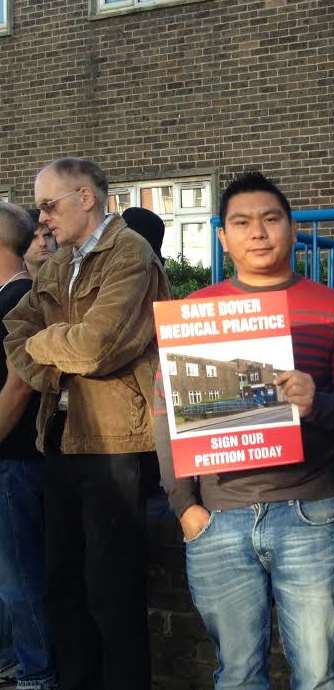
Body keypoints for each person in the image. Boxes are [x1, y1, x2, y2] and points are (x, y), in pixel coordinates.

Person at [155, 171, 334, 689]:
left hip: (308, 511)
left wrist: (318, 403)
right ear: (223, 237)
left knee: (318, 674)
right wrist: (185, 506)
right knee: (238, 674)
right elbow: (166, 417)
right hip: (218, 515)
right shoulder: (196, 313)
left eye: (270, 219)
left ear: (291, 227)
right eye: (242, 222)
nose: (258, 233)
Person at [3, 158, 169, 690]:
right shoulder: (58, 264)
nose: (42, 219)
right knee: (63, 588)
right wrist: (51, 349)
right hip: (59, 437)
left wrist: (45, 345)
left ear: (85, 198)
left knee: (112, 591)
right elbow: (14, 332)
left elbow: (98, 346)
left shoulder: (130, 254)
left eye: (48, 206)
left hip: (115, 440)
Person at [0, 203, 56, 690]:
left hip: (15, 464)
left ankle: (37, 675)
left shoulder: (18, 301)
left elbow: (19, 386)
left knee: (20, 580)